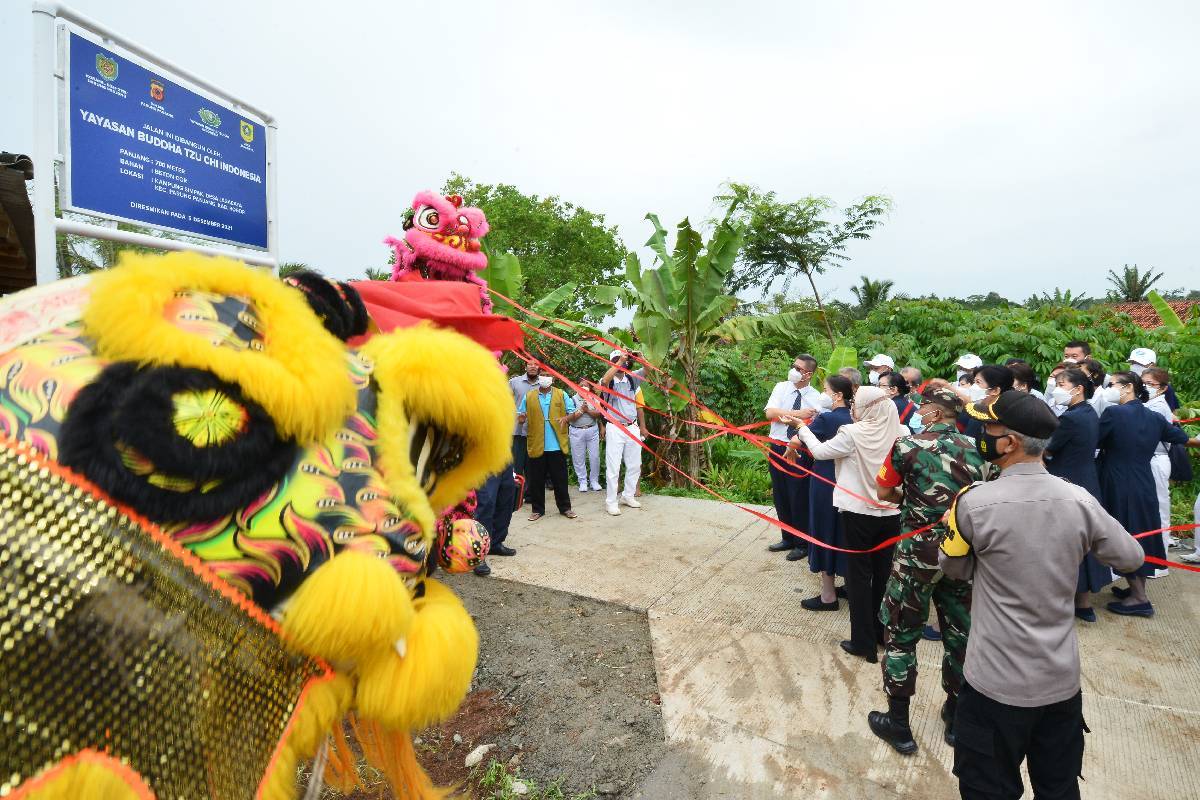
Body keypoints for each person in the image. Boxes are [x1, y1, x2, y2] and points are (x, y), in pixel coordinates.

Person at [939, 390, 1144, 800]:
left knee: (987, 790)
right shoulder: (1079, 499)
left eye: (988, 428)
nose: (981, 434)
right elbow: (1131, 556)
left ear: (1010, 442)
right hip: (1059, 684)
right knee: (1059, 788)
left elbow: (954, 569)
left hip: (994, 684)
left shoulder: (973, 503)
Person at [869, 387, 994, 754]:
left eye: (925, 408)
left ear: (938, 413)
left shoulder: (906, 447)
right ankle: (955, 720)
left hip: (915, 556)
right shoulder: (981, 450)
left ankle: (899, 725)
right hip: (961, 554)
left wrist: (909, 499)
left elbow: (883, 492)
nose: (920, 414)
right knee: (960, 635)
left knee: (901, 634)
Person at [789, 386, 901, 662]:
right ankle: (880, 634)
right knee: (883, 575)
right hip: (891, 514)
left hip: (858, 515)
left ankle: (863, 643)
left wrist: (802, 428)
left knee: (858, 578)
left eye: (856, 404)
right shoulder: (902, 433)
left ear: (867, 407)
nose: (853, 408)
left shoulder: (852, 434)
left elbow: (819, 451)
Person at [1097, 371, 1190, 617]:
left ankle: (1139, 598)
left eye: (1112, 384)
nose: (1109, 388)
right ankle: (1135, 590)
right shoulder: (1153, 416)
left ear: (1128, 388)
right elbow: (1180, 437)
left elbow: (1095, 440)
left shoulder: (1113, 413)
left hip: (1117, 480)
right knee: (1141, 533)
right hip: (1142, 480)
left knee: (1124, 535)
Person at [1043, 368, 1112, 620]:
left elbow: (1049, 448)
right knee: (1084, 540)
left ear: (1078, 388)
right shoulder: (1089, 412)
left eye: (1061, 383)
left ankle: (1065, 601)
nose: (1056, 387)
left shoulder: (1072, 418)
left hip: (1067, 482)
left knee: (1065, 542)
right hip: (1086, 480)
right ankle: (1083, 603)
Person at [800, 374, 854, 611]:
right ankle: (851, 586)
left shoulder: (826, 419)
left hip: (825, 481)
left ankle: (828, 595)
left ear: (838, 395)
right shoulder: (857, 419)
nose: (823, 393)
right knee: (847, 533)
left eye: (825, 389)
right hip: (851, 485)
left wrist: (800, 429)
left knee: (823, 531)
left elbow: (803, 440)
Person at [763, 354, 823, 560]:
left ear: (808, 374)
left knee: (798, 495)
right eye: (793, 366)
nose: (793, 371)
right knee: (780, 493)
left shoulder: (817, 397)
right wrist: (799, 414)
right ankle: (787, 537)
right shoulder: (781, 387)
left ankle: (802, 543)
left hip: (799, 449)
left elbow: (812, 425)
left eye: (798, 368)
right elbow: (770, 414)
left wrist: (790, 417)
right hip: (777, 446)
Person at [517, 372, 578, 521]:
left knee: (560, 479)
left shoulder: (561, 394)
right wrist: (521, 419)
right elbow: (521, 417)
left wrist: (566, 418)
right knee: (536, 480)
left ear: (553, 378)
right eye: (542, 375)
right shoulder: (529, 396)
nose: (545, 377)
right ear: (539, 378)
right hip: (536, 444)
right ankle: (537, 510)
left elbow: (573, 413)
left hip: (556, 445)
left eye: (548, 375)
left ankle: (565, 508)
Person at [600, 350, 644, 517]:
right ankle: (611, 502)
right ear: (611, 362)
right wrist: (619, 362)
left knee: (634, 464)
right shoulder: (607, 380)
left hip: (632, 425)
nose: (621, 362)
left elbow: (648, 371)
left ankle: (628, 495)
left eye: (623, 359)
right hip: (615, 426)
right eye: (616, 360)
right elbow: (604, 381)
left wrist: (641, 358)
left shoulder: (632, 378)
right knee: (614, 466)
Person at [1142, 367, 1175, 566]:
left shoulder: (1158, 407)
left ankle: (1159, 562)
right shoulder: (1147, 403)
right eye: (1142, 382)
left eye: (1150, 384)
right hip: (1147, 459)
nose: (1145, 387)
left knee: (1159, 509)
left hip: (1156, 459)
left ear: (1162, 389)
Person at [472, 465, 518, 577]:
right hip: (485, 458)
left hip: (504, 456)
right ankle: (478, 554)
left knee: (506, 497)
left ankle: (495, 543)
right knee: (486, 502)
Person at [568, 379, 604, 492]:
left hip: (592, 430)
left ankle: (594, 481)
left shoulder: (593, 398)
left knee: (594, 457)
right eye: (581, 385)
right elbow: (570, 417)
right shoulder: (572, 399)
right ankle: (582, 481)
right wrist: (581, 411)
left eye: (586, 385)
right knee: (578, 457)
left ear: (590, 387)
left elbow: (599, 413)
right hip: (576, 430)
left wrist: (587, 410)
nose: (583, 387)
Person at [960, 365, 1014, 441]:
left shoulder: (984, 418)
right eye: (974, 382)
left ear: (995, 391)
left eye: (978, 382)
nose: (973, 386)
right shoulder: (973, 409)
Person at [509, 360, 540, 482]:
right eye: (530, 364)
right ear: (525, 366)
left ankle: (531, 496)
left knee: (534, 466)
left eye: (536, 364)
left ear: (539, 367)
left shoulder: (542, 385)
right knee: (516, 465)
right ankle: (516, 497)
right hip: (518, 431)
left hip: (536, 432)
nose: (533, 366)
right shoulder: (514, 382)